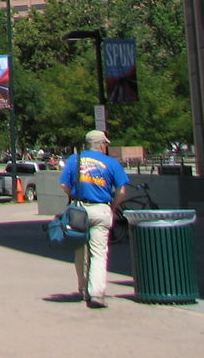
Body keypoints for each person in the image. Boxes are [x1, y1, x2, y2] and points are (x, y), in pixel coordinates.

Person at [59, 129, 129, 308]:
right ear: (102, 145)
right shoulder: (111, 163)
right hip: (101, 209)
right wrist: (113, 206)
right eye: (105, 144)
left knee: (80, 252)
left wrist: (73, 197)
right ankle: (97, 293)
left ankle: (83, 290)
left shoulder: (75, 160)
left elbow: (64, 184)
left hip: (79, 209)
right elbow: (122, 191)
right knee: (98, 253)